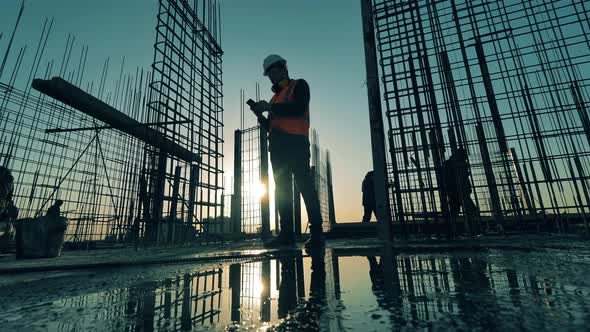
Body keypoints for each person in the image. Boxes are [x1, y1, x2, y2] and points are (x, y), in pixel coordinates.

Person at [249, 54, 324, 250]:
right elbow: (274, 127)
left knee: (305, 186)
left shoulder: (299, 85)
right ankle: (286, 234)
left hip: (296, 144)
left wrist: (271, 106)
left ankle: (317, 234)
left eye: (273, 73)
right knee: (281, 190)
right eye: (269, 76)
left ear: (283, 69)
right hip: (278, 148)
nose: (272, 78)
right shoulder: (276, 98)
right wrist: (262, 117)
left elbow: (299, 109)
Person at [442, 149, 478, 217]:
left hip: (454, 188)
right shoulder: (460, 164)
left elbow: (447, 177)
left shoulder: (449, 164)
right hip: (459, 188)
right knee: (463, 202)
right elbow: (463, 176)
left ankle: (455, 218)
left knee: (456, 204)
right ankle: (473, 214)